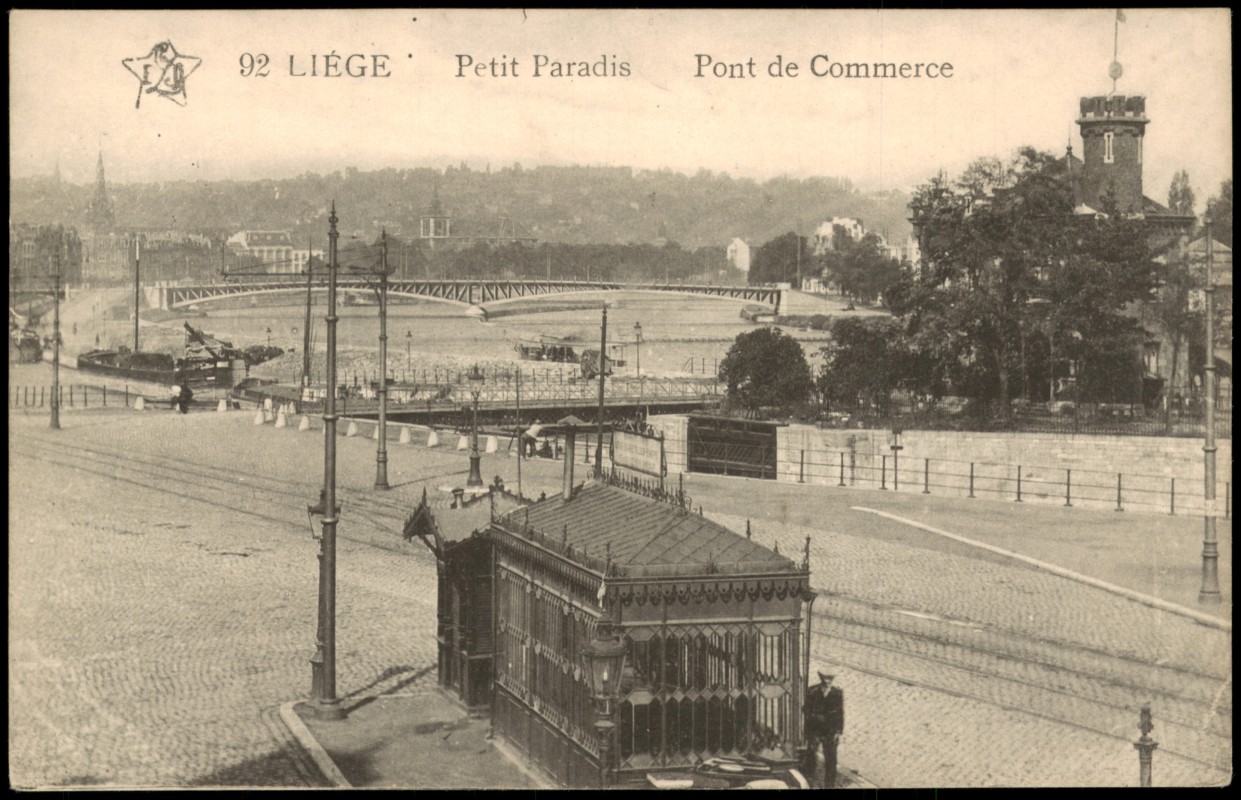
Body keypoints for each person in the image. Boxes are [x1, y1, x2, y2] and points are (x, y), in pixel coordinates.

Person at [802, 670, 845, 788]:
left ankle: (829, 785)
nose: (828, 681)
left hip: (830, 731)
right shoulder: (812, 691)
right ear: (821, 678)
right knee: (811, 757)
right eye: (826, 678)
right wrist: (814, 717)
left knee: (831, 759)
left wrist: (838, 731)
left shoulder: (837, 692)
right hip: (815, 730)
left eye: (830, 678)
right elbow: (805, 709)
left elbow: (840, 713)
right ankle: (809, 782)